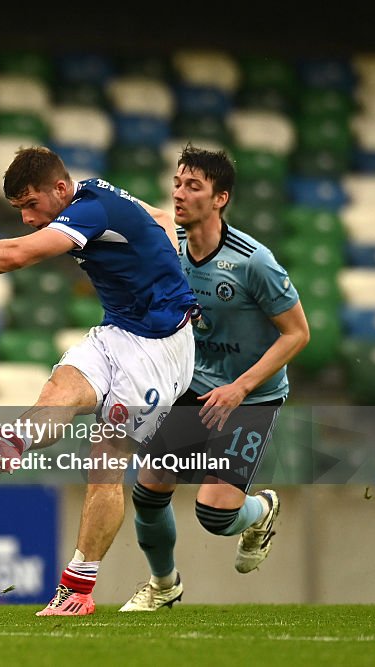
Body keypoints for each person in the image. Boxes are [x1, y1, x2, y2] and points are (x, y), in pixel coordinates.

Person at [0, 146, 199, 616]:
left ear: (59, 189)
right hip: (116, 331)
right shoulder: (97, 194)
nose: (29, 219)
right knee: (58, 392)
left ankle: (78, 586)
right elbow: (157, 217)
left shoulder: (90, 209)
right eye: (20, 210)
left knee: (105, 464)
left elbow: (14, 256)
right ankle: (10, 444)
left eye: (31, 205)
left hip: (160, 351)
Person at [119, 144, 310, 612]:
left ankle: (260, 511)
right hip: (196, 388)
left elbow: (297, 334)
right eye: (177, 184)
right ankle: (164, 587)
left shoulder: (253, 262)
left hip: (251, 396)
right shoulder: (172, 251)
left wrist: (241, 386)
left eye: (193, 186)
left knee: (215, 515)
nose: (180, 194)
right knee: (148, 490)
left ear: (220, 198)